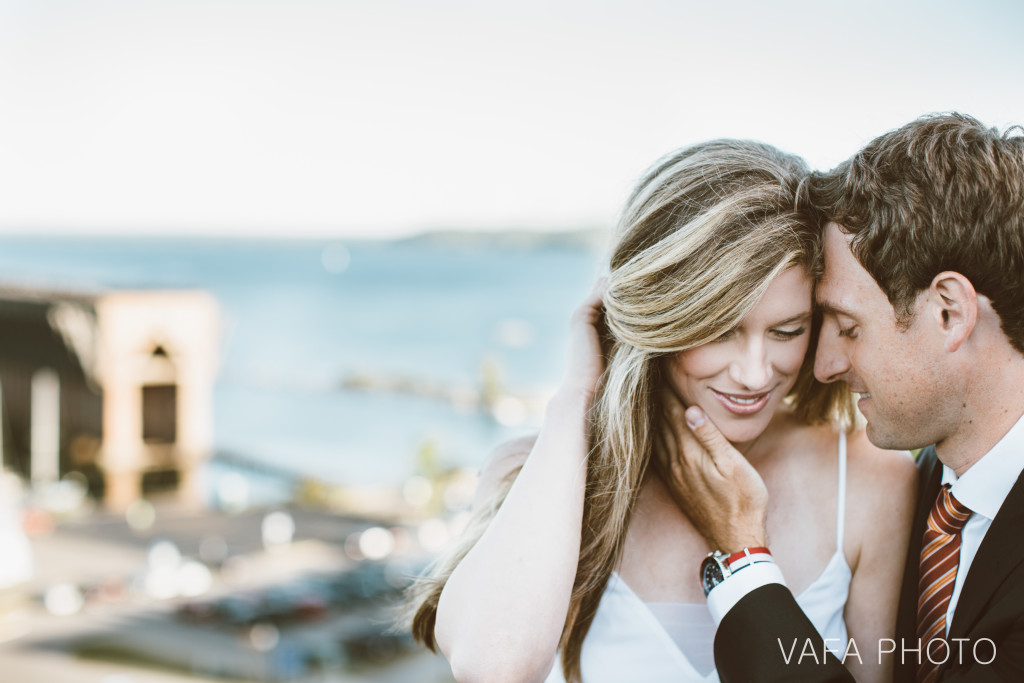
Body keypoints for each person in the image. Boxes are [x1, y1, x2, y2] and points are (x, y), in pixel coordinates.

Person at [405, 140, 916, 682]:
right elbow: (495, 667)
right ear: (662, 320)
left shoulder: (870, 476)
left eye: (787, 331)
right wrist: (578, 395)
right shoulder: (531, 474)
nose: (755, 373)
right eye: (720, 330)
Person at [658, 113, 1024, 683]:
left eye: (849, 328)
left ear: (950, 313)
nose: (823, 366)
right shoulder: (925, 491)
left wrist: (742, 557)